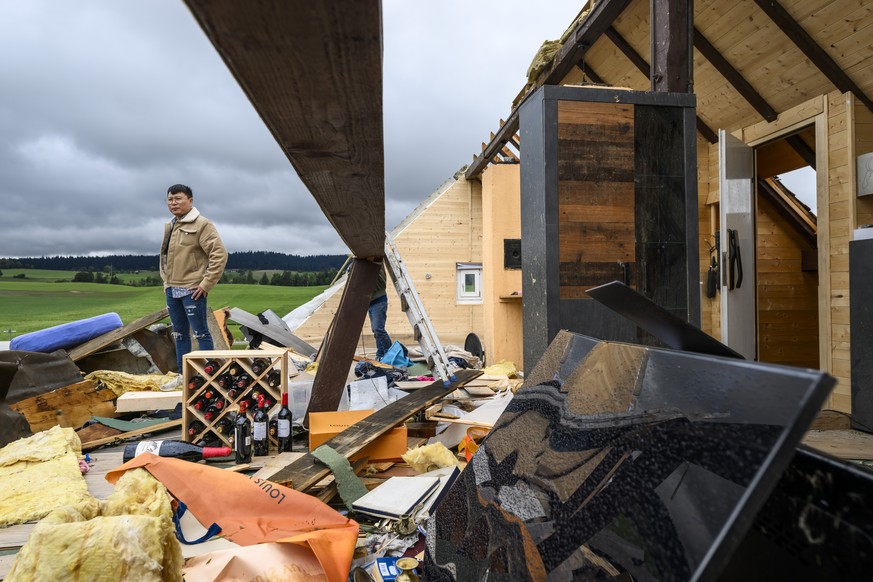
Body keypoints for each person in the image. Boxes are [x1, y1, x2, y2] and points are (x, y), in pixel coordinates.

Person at [160, 184, 228, 372]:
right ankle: (185, 378)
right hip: (172, 290)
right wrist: (166, 283)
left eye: (178, 198)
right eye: (170, 199)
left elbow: (219, 254)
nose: (174, 203)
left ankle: (208, 377)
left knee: (200, 333)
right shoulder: (171, 225)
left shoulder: (202, 224)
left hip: (193, 290)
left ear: (190, 200)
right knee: (179, 335)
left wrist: (206, 284)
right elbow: (165, 257)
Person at [368, 261, 393, 361]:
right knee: (375, 330)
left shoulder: (376, 259)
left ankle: (390, 353)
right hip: (370, 301)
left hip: (379, 300)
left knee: (379, 329)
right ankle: (380, 353)